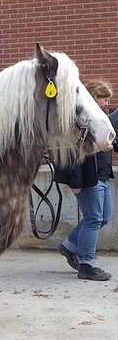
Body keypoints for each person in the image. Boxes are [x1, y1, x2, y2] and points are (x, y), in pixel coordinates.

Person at [55, 79, 115, 281]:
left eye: (107, 99)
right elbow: (71, 154)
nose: (106, 103)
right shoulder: (79, 121)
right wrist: (75, 182)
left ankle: (69, 246)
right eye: (101, 98)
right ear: (91, 97)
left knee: (104, 217)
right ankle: (88, 264)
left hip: (103, 175)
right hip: (89, 178)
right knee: (93, 218)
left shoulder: (102, 120)